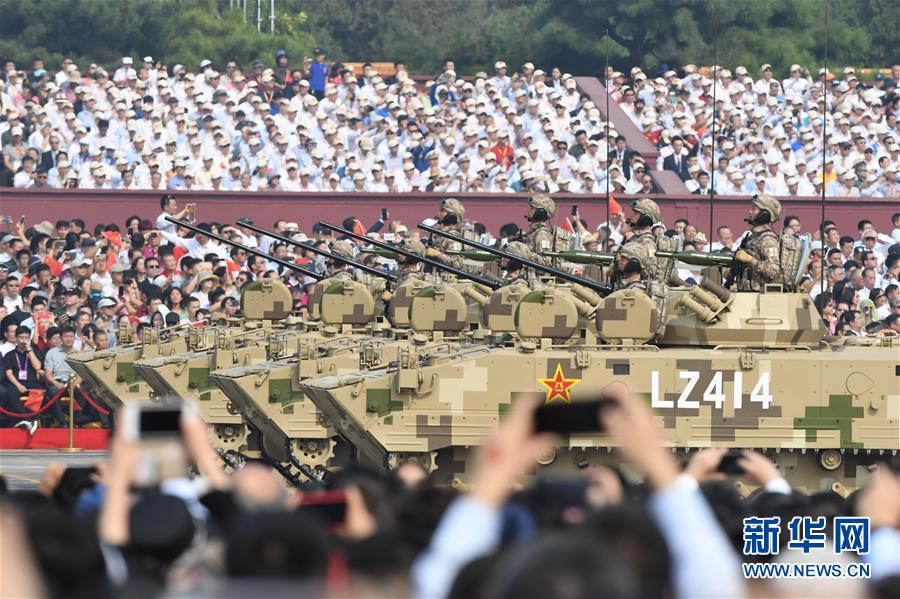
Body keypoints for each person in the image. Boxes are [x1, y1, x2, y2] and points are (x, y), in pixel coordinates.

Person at [732, 193, 784, 292]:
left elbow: (773, 271)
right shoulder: (752, 237)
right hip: (747, 294)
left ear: (764, 214)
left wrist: (751, 260)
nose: (750, 211)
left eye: (754, 208)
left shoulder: (768, 240)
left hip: (759, 298)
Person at [613, 198, 660, 288]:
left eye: (636, 213)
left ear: (645, 217)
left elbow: (650, 271)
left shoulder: (647, 241)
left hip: (637, 289)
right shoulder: (635, 238)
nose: (632, 216)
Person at [424, 198, 468, 271]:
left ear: (451, 215)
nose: (439, 214)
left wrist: (437, 254)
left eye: (442, 211)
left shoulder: (453, 236)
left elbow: (457, 264)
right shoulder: (442, 234)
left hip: (446, 279)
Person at [522, 194, 556, 266]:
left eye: (532, 208)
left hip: (536, 277)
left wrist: (522, 253)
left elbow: (545, 260)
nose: (529, 211)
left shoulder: (542, 234)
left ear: (541, 212)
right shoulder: (534, 232)